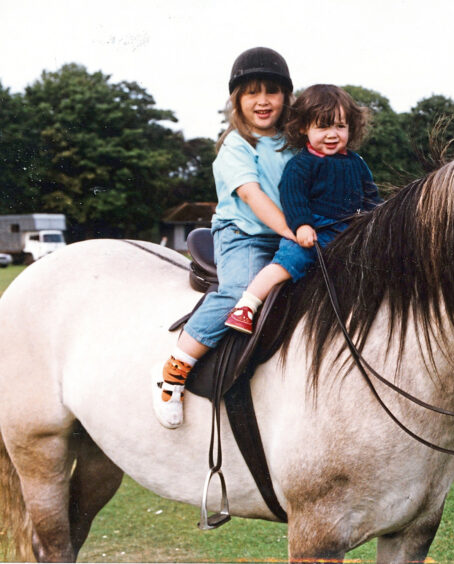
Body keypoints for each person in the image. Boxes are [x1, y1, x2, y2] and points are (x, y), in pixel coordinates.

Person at [153, 47, 297, 429]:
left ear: (286, 97)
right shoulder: (236, 145)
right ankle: (176, 369)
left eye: (272, 91)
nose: (263, 101)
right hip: (245, 235)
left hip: (289, 235)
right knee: (239, 291)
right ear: (238, 100)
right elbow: (252, 195)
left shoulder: (293, 143)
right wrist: (291, 231)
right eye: (252, 92)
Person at [223, 84, 381, 335]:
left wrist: (376, 218)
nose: (332, 134)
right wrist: (302, 225)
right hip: (313, 231)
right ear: (303, 127)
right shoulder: (301, 165)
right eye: (323, 126)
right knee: (289, 261)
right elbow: (293, 197)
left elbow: (371, 196)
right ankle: (247, 305)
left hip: (349, 231)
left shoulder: (357, 163)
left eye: (340, 126)